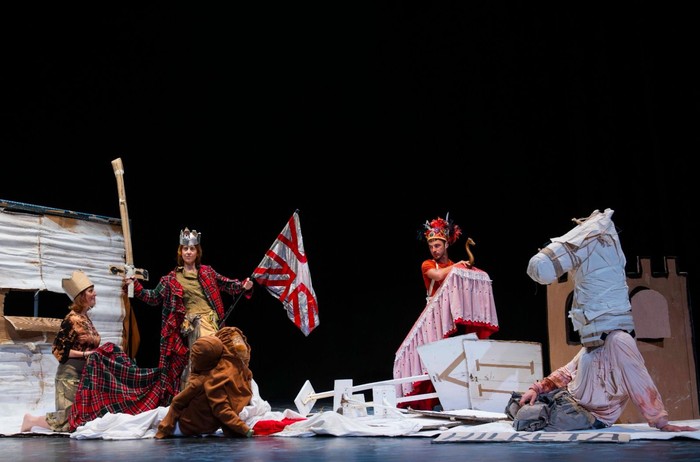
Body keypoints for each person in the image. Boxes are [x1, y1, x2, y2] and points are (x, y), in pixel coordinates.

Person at [124, 227, 254, 398]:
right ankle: (198, 398)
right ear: (181, 251)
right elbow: (154, 297)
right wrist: (136, 287)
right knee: (204, 356)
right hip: (192, 325)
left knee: (232, 350)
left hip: (213, 322)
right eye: (185, 248)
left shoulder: (207, 272)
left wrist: (243, 285)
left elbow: (227, 284)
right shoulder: (171, 279)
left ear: (197, 252)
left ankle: (228, 393)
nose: (188, 252)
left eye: (192, 248)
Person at [517, 330, 697, 432]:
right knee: (518, 402)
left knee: (527, 417)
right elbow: (567, 371)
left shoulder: (620, 342)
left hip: (590, 415)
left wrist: (661, 421)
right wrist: (537, 388)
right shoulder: (593, 342)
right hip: (565, 398)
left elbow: (640, 383)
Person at [21, 270, 101, 432]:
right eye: (91, 291)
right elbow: (58, 350)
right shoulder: (72, 319)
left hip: (85, 374)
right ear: (81, 296)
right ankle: (31, 420)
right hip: (69, 376)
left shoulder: (86, 319)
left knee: (81, 418)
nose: (95, 294)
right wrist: (86, 354)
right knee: (67, 421)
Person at [155, 326, 255, 438]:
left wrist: (165, 427)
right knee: (157, 415)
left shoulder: (206, 381)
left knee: (155, 415)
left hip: (185, 427)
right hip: (198, 427)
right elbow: (223, 410)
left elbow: (177, 402)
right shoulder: (219, 376)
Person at [420, 214, 472, 300]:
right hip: (435, 307)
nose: (433, 250)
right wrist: (457, 266)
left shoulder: (452, 265)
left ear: (446, 244)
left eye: (437, 246)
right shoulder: (427, 264)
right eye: (430, 247)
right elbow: (438, 275)